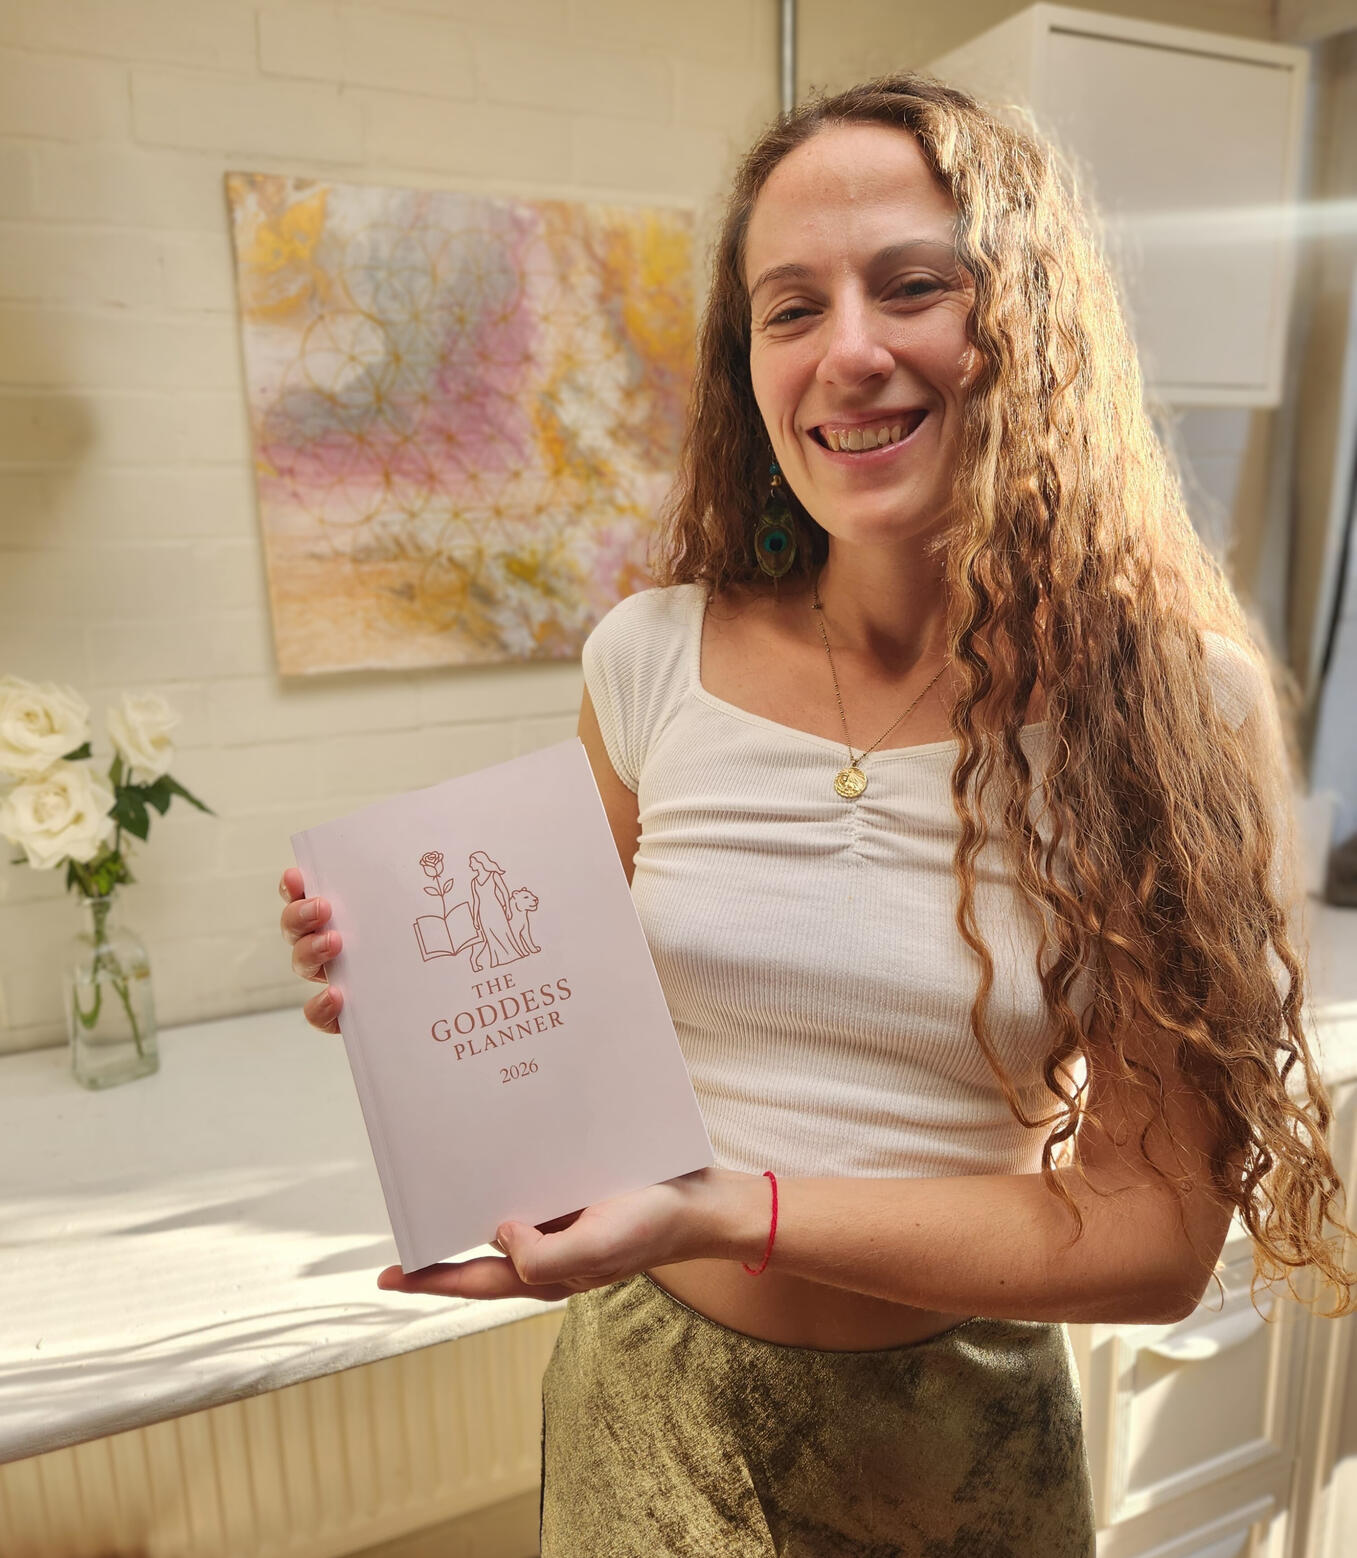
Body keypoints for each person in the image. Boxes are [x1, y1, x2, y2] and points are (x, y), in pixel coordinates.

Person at [279, 74, 1355, 1557]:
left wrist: (732, 1208)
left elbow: (1153, 1237)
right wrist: (418, 998)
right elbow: (561, 1044)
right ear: (749, 366)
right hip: (648, 1413)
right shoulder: (647, 658)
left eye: (912, 286)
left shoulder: (1174, 714)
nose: (849, 352)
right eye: (791, 308)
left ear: (1027, 320)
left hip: (960, 1440)